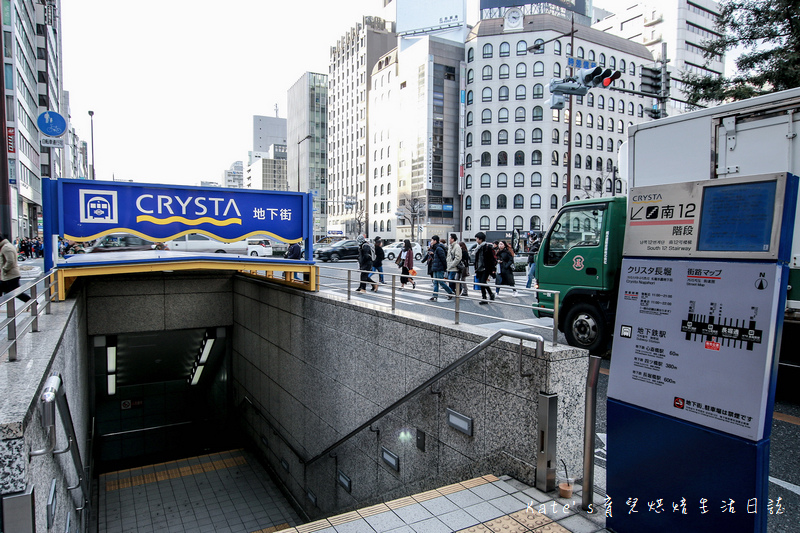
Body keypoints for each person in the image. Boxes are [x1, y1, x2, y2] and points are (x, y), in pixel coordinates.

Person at [1, 235, 30, 302]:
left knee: (17, 293)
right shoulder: (6, 246)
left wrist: (4, 269)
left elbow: (10, 261)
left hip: (10, 275)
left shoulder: (6, 248)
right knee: (10, 292)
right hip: (7, 275)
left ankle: (32, 303)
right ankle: (32, 303)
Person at [427, 235, 455, 301]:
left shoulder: (439, 248)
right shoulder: (436, 248)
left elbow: (443, 258)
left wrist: (445, 268)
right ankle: (435, 296)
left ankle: (450, 292)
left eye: (432, 240)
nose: (431, 242)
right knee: (435, 282)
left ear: (435, 241)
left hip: (439, 268)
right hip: (436, 267)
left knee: (441, 282)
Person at [473, 232, 497, 304]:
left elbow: (492, 259)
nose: (476, 240)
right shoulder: (478, 247)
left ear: (480, 239)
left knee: (483, 282)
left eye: (477, 238)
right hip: (479, 268)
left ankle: (487, 296)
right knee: (482, 283)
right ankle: (487, 296)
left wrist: (493, 269)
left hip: (485, 268)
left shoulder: (487, 247)